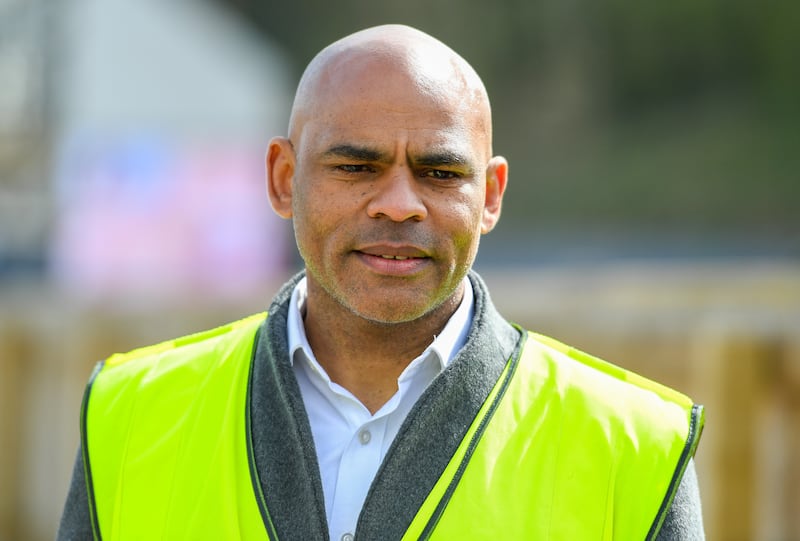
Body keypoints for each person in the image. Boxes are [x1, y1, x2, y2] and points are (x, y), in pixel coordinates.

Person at [58, 24, 705, 540]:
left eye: (440, 172)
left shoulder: (636, 450)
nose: (399, 203)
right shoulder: (127, 416)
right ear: (285, 179)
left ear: (491, 194)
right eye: (356, 165)